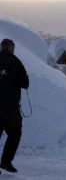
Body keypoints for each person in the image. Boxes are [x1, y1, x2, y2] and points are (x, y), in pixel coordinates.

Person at [0, 39, 29, 173]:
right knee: (15, 133)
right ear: (12, 48)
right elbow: (25, 83)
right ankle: (6, 161)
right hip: (10, 108)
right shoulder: (16, 62)